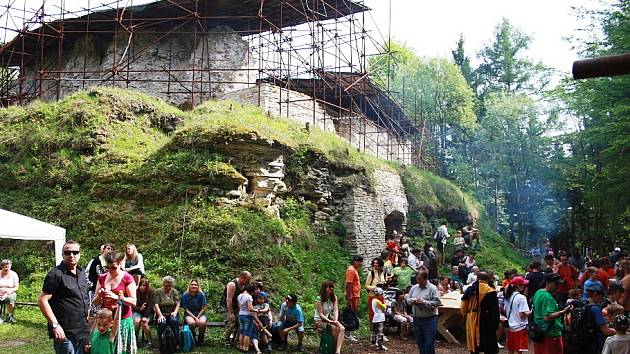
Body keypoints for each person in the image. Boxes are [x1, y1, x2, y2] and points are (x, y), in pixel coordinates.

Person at [38, 240, 90, 354]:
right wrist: (55, 326)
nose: (72, 255)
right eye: (68, 252)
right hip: (65, 332)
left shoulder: (82, 273)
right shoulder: (55, 274)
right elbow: (42, 300)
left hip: (83, 330)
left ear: (80, 254)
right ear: (63, 255)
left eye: (75, 252)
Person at [92, 251, 137, 354]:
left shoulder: (127, 278)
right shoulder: (102, 278)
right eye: (107, 268)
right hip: (104, 322)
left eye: (113, 268)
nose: (110, 270)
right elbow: (95, 302)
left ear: (120, 264)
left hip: (122, 321)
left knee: (120, 350)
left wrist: (117, 297)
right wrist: (100, 295)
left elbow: (134, 301)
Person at [532, 273, 572, 354]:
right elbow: (547, 317)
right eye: (555, 283)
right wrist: (563, 311)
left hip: (539, 332)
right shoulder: (547, 297)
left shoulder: (538, 292)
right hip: (551, 334)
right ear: (547, 283)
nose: (557, 286)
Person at [460, 272, 500, 354]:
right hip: (487, 318)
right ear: (487, 280)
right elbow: (495, 310)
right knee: (488, 341)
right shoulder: (491, 291)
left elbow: (463, 305)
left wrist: (465, 315)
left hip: (472, 317)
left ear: (477, 279)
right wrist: (496, 323)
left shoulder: (469, 290)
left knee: (473, 340)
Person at [408, 271, 442, 354]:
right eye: (417, 280)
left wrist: (424, 302)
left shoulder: (433, 288)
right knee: (420, 342)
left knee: (429, 343)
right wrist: (412, 301)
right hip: (417, 318)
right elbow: (408, 299)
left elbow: (437, 303)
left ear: (426, 279)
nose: (419, 282)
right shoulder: (414, 288)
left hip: (429, 319)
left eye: (421, 280)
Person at [584, 281, 617, 353]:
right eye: (601, 295)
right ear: (595, 294)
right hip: (595, 343)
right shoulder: (595, 308)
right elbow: (606, 331)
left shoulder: (584, 303)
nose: (602, 298)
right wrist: (622, 331)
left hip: (585, 341)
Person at [314, 280, 345, 354]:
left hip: (331, 319)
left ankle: (338, 350)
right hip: (320, 320)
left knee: (342, 328)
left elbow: (335, 310)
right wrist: (330, 321)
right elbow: (321, 314)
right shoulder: (319, 299)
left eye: (332, 287)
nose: (331, 289)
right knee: (334, 329)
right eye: (329, 287)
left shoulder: (334, 297)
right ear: (324, 288)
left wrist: (336, 320)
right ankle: (332, 349)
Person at [223, 271, 252, 347]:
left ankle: (237, 341)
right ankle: (226, 340)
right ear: (242, 277)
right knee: (232, 322)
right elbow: (229, 300)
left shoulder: (244, 286)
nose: (249, 282)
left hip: (238, 308)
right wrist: (231, 313)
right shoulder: (232, 284)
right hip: (227, 307)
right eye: (248, 280)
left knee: (242, 321)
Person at [504, 276, 531, 354]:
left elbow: (506, 309)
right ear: (518, 285)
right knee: (519, 350)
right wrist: (531, 312)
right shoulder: (521, 298)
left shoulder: (508, 296)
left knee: (511, 349)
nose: (524, 286)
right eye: (522, 284)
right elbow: (522, 315)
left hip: (510, 326)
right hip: (520, 327)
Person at [153, 276, 180, 349]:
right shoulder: (158, 291)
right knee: (162, 323)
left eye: (170, 284)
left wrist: (175, 312)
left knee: (174, 321)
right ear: (163, 283)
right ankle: (161, 343)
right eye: (167, 284)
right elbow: (156, 304)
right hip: (161, 313)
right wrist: (160, 315)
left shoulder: (174, 291)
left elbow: (177, 303)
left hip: (172, 313)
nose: (168, 286)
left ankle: (176, 342)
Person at [181, 279, 208, 346]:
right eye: (192, 284)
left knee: (202, 322)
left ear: (198, 286)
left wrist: (197, 317)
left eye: (195, 285)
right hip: (189, 314)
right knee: (191, 323)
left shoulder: (201, 294)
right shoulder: (185, 295)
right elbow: (186, 309)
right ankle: (192, 336)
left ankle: (201, 338)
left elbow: (204, 307)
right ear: (189, 286)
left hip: (200, 314)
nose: (194, 286)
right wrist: (194, 317)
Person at [365, 258, 386, 335]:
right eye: (374, 263)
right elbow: (367, 285)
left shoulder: (383, 273)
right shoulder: (371, 273)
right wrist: (375, 287)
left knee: (381, 313)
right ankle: (373, 333)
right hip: (372, 296)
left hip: (381, 296)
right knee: (372, 314)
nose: (375, 265)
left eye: (377, 263)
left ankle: (380, 332)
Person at [344, 255, 363, 342]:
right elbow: (349, 284)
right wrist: (349, 297)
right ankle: (348, 333)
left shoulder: (354, 269)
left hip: (355, 295)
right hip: (352, 296)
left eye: (361, 261)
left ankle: (349, 332)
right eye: (359, 261)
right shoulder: (351, 270)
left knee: (352, 314)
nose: (360, 263)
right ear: (355, 261)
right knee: (350, 315)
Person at [131, 278, 153, 347]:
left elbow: (150, 307)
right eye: (141, 285)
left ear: (147, 286)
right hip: (137, 311)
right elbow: (132, 305)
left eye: (144, 285)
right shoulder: (135, 292)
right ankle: (134, 340)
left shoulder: (151, 293)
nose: (142, 287)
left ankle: (150, 342)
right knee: (137, 321)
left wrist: (145, 317)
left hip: (148, 313)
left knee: (144, 322)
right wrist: (140, 308)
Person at [237, 283, 256, 353]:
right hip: (248, 316)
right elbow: (250, 308)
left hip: (240, 315)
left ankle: (241, 347)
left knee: (241, 332)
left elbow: (239, 307)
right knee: (247, 333)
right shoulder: (249, 297)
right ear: (251, 291)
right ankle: (246, 348)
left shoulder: (239, 296)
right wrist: (257, 310)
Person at [0, 259, 19, 323]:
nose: (6, 268)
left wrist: (8, 292)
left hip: (10, 292)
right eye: (5, 267)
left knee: (10, 298)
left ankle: (10, 316)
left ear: (10, 266)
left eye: (8, 267)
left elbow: (16, 287)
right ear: (1, 267)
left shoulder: (14, 274)